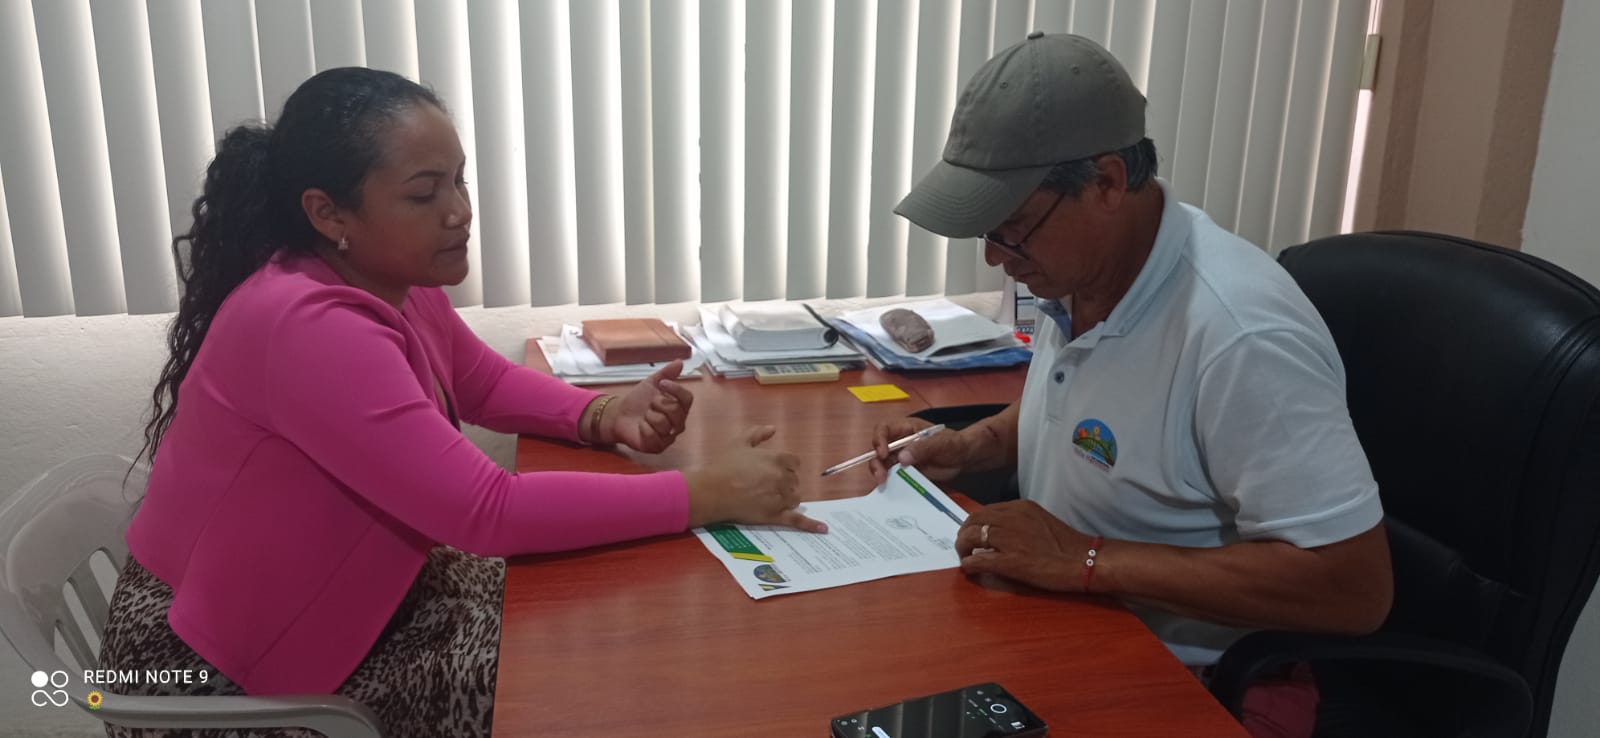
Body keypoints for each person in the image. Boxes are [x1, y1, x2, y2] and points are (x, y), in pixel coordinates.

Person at [100, 67, 822, 738]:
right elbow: (489, 512)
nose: (460, 212)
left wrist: (601, 415)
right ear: (328, 213)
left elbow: (480, 382)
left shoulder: (387, 279)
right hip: (212, 670)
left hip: (339, 593)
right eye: (425, 195)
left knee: (610, 606)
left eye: (460, 181)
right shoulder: (307, 326)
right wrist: (706, 493)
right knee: (585, 680)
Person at [866, 33, 1392, 738]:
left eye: (1012, 229)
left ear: (1108, 184)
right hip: (1069, 626)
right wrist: (973, 445)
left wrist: (1086, 560)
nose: (994, 257)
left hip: (1192, 680)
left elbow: (1355, 588)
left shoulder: (1240, 335)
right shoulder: (1085, 272)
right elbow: (1090, 417)